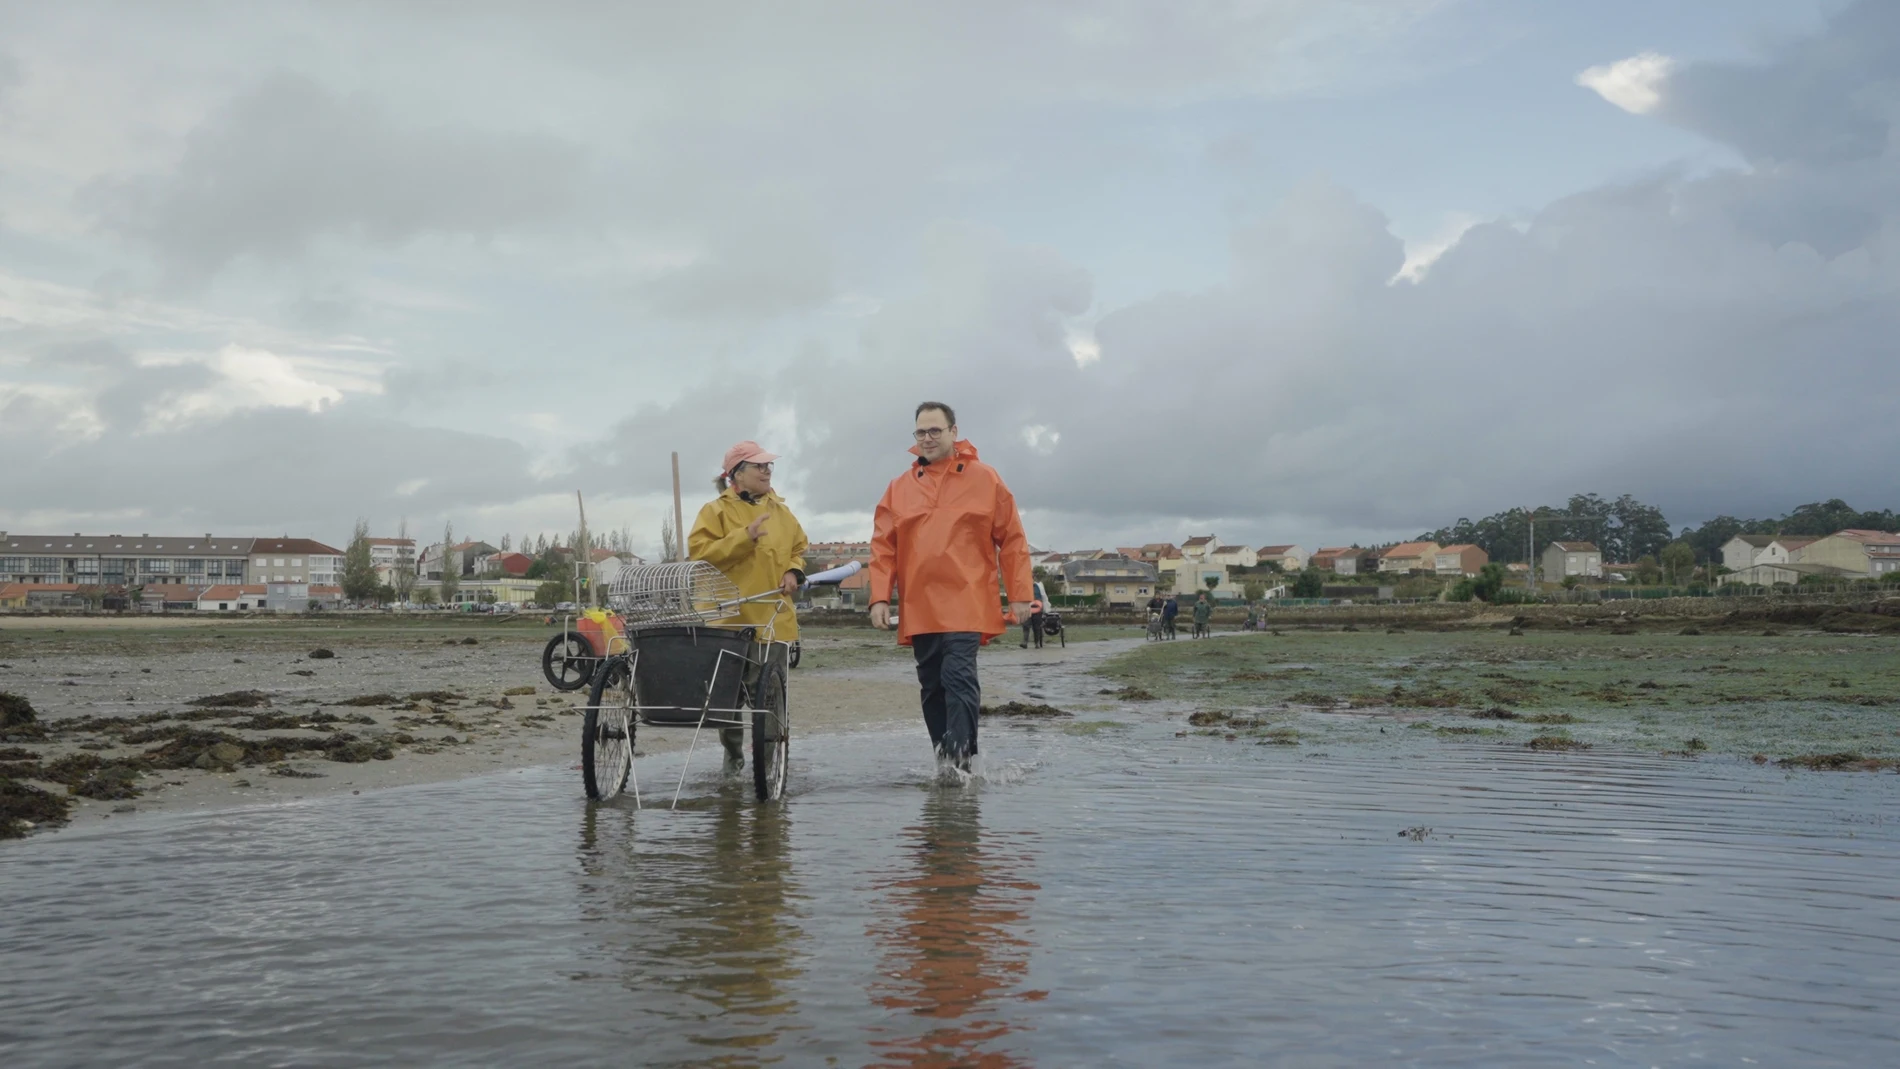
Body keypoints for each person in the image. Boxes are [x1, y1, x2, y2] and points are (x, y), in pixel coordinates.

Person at [869, 401, 1032, 775]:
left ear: (953, 432)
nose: (927, 438)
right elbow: (883, 546)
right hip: (920, 602)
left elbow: (1011, 538)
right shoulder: (899, 488)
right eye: (921, 432)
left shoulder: (985, 478)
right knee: (931, 684)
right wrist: (879, 597)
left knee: (958, 675)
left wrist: (1020, 593)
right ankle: (945, 760)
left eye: (935, 431)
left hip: (968, 597)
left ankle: (961, 760)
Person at [689, 440, 808, 773]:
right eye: (759, 465)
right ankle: (734, 758)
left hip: (774, 621)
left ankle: (768, 768)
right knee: (726, 700)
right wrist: (745, 537)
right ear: (737, 474)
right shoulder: (715, 512)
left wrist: (793, 570)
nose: (767, 470)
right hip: (727, 621)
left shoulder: (783, 512)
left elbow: (799, 548)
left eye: (769, 465)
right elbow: (700, 554)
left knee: (770, 699)